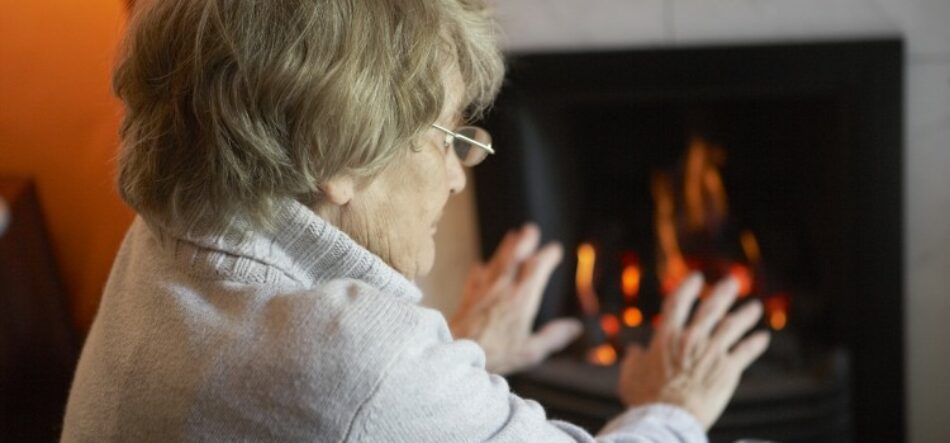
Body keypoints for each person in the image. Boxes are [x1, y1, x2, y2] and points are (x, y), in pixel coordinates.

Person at [61, 0, 770, 441]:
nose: (461, 173)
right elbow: (349, 390)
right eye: (449, 137)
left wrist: (463, 354)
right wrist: (672, 403)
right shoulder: (355, 358)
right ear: (335, 155)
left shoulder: (169, 235)